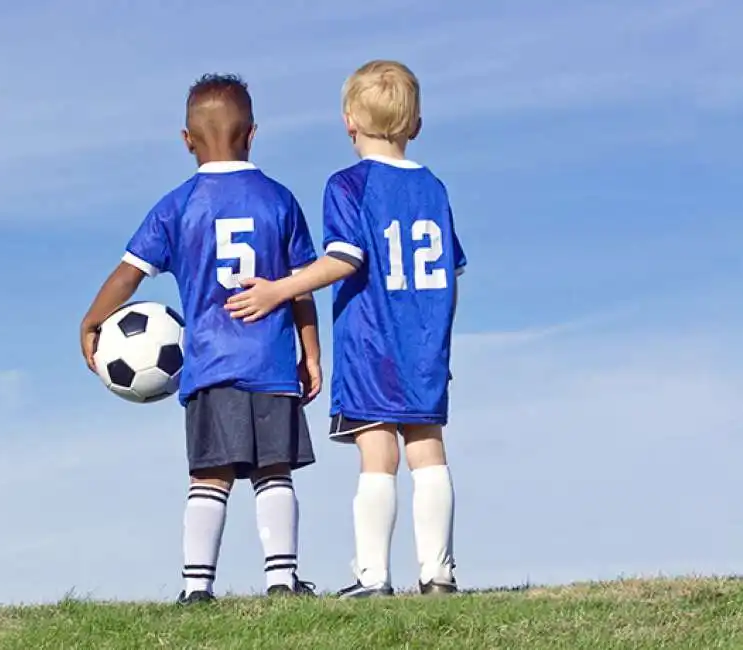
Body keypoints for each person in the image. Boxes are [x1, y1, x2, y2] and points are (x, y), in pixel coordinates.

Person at [225, 60, 466, 598]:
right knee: (428, 447)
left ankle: (372, 577)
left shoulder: (349, 185)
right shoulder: (434, 188)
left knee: (377, 450)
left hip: (373, 342)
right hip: (426, 341)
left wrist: (277, 289)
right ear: (417, 125)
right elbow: (452, 269)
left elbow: (344, 258)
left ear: (348, 122)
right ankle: (438, 574)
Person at [79, 73, 322, 605]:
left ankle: (196, 588)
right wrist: (311, 352)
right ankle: (281, 580)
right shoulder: (280, 200)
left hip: (210, 365)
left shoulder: (178, 205)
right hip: (271, 361)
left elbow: (129, 273)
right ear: (253, 134)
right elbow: (303, 286)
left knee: (208, 476)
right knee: (274, 471)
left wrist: (92, 320)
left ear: (186, 140)